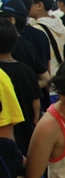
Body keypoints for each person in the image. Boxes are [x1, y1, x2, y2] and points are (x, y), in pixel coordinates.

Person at [0, 19, 41, 156]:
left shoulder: (1, 75)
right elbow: (36, 105)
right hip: (28, 134)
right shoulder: (27, 71)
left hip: (9, 142)